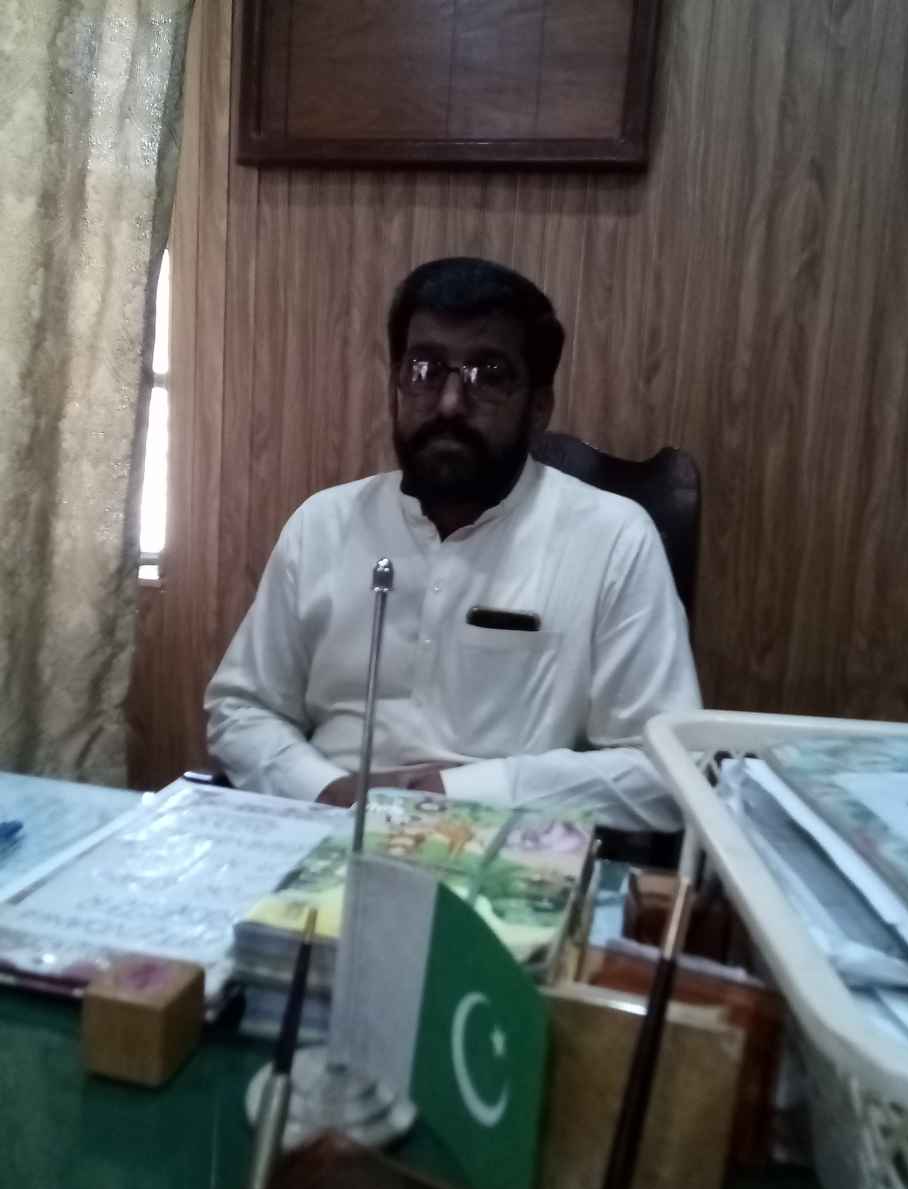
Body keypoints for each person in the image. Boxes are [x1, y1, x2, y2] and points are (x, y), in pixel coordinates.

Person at [205, 257, 701, 829]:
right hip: (319, 826)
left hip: (508, 844)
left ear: (538, 408)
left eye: (488, 375)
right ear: (395, 386)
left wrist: (454, 793)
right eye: (424, 369)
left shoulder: (613, 539)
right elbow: (240, 708)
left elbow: (666, 770)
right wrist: (324, 789)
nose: (448, 404)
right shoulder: (323, 524)